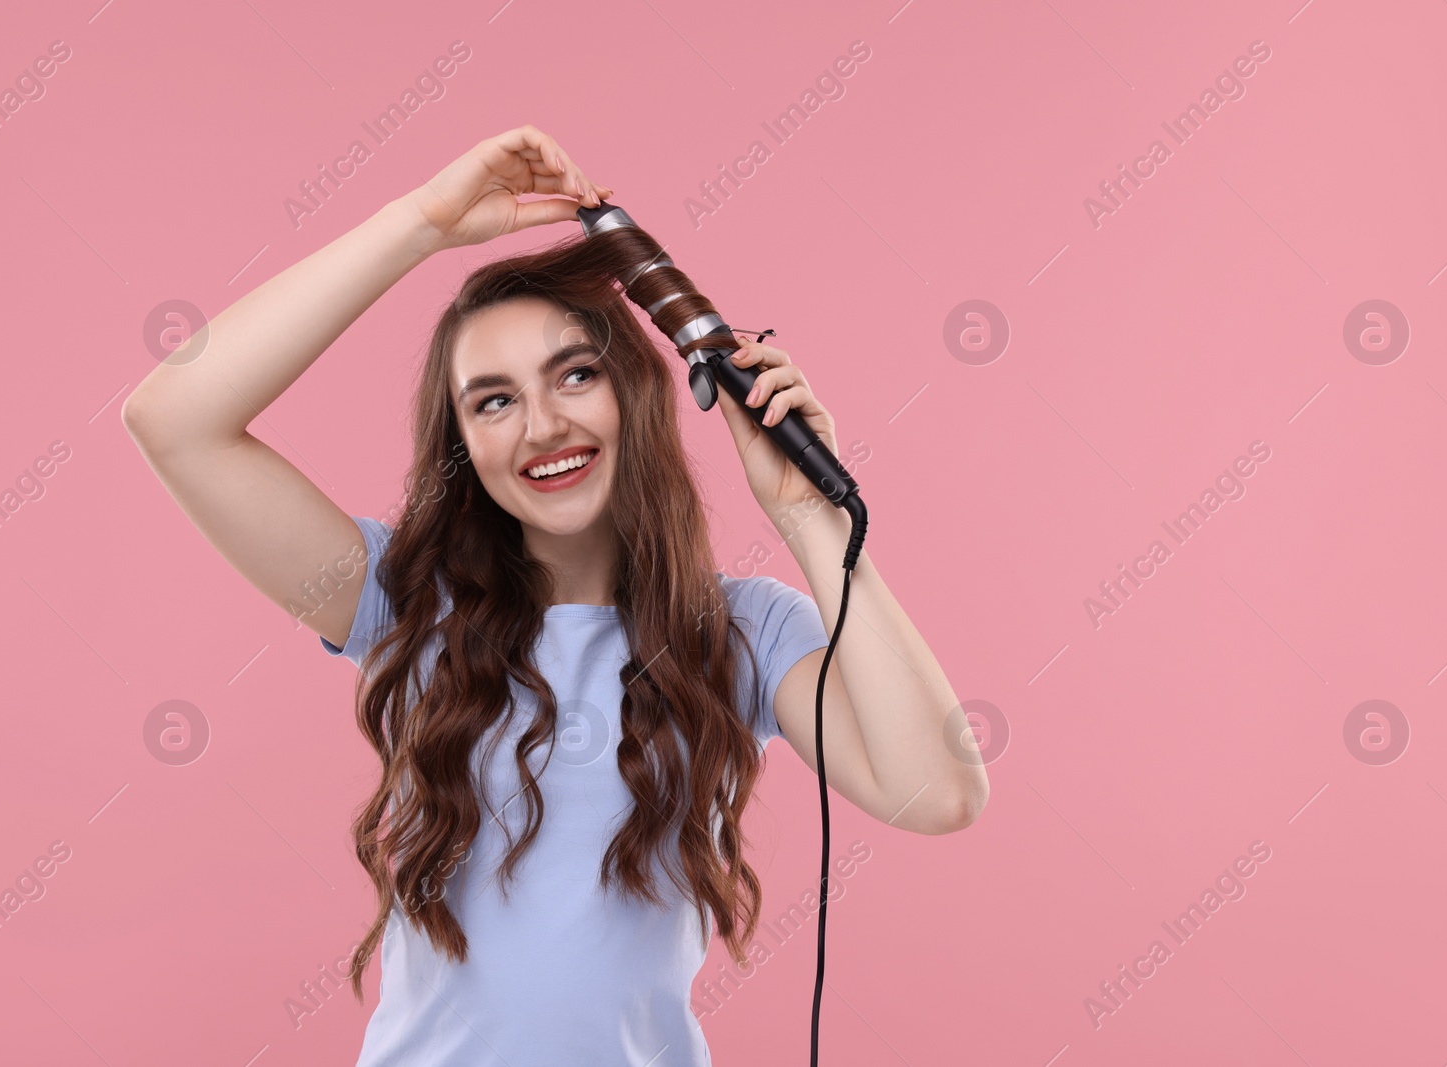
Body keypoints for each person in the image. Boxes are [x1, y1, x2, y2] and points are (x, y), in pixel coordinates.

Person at [122, 124, 988, 1065]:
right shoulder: (405, 600)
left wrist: (811, 519)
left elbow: (936, 791)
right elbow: (175, 419)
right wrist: (419, 225)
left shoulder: (739, 629)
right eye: (492, 400)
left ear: (636, 394)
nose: (542, 425)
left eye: (575, 374)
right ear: (463, 444)